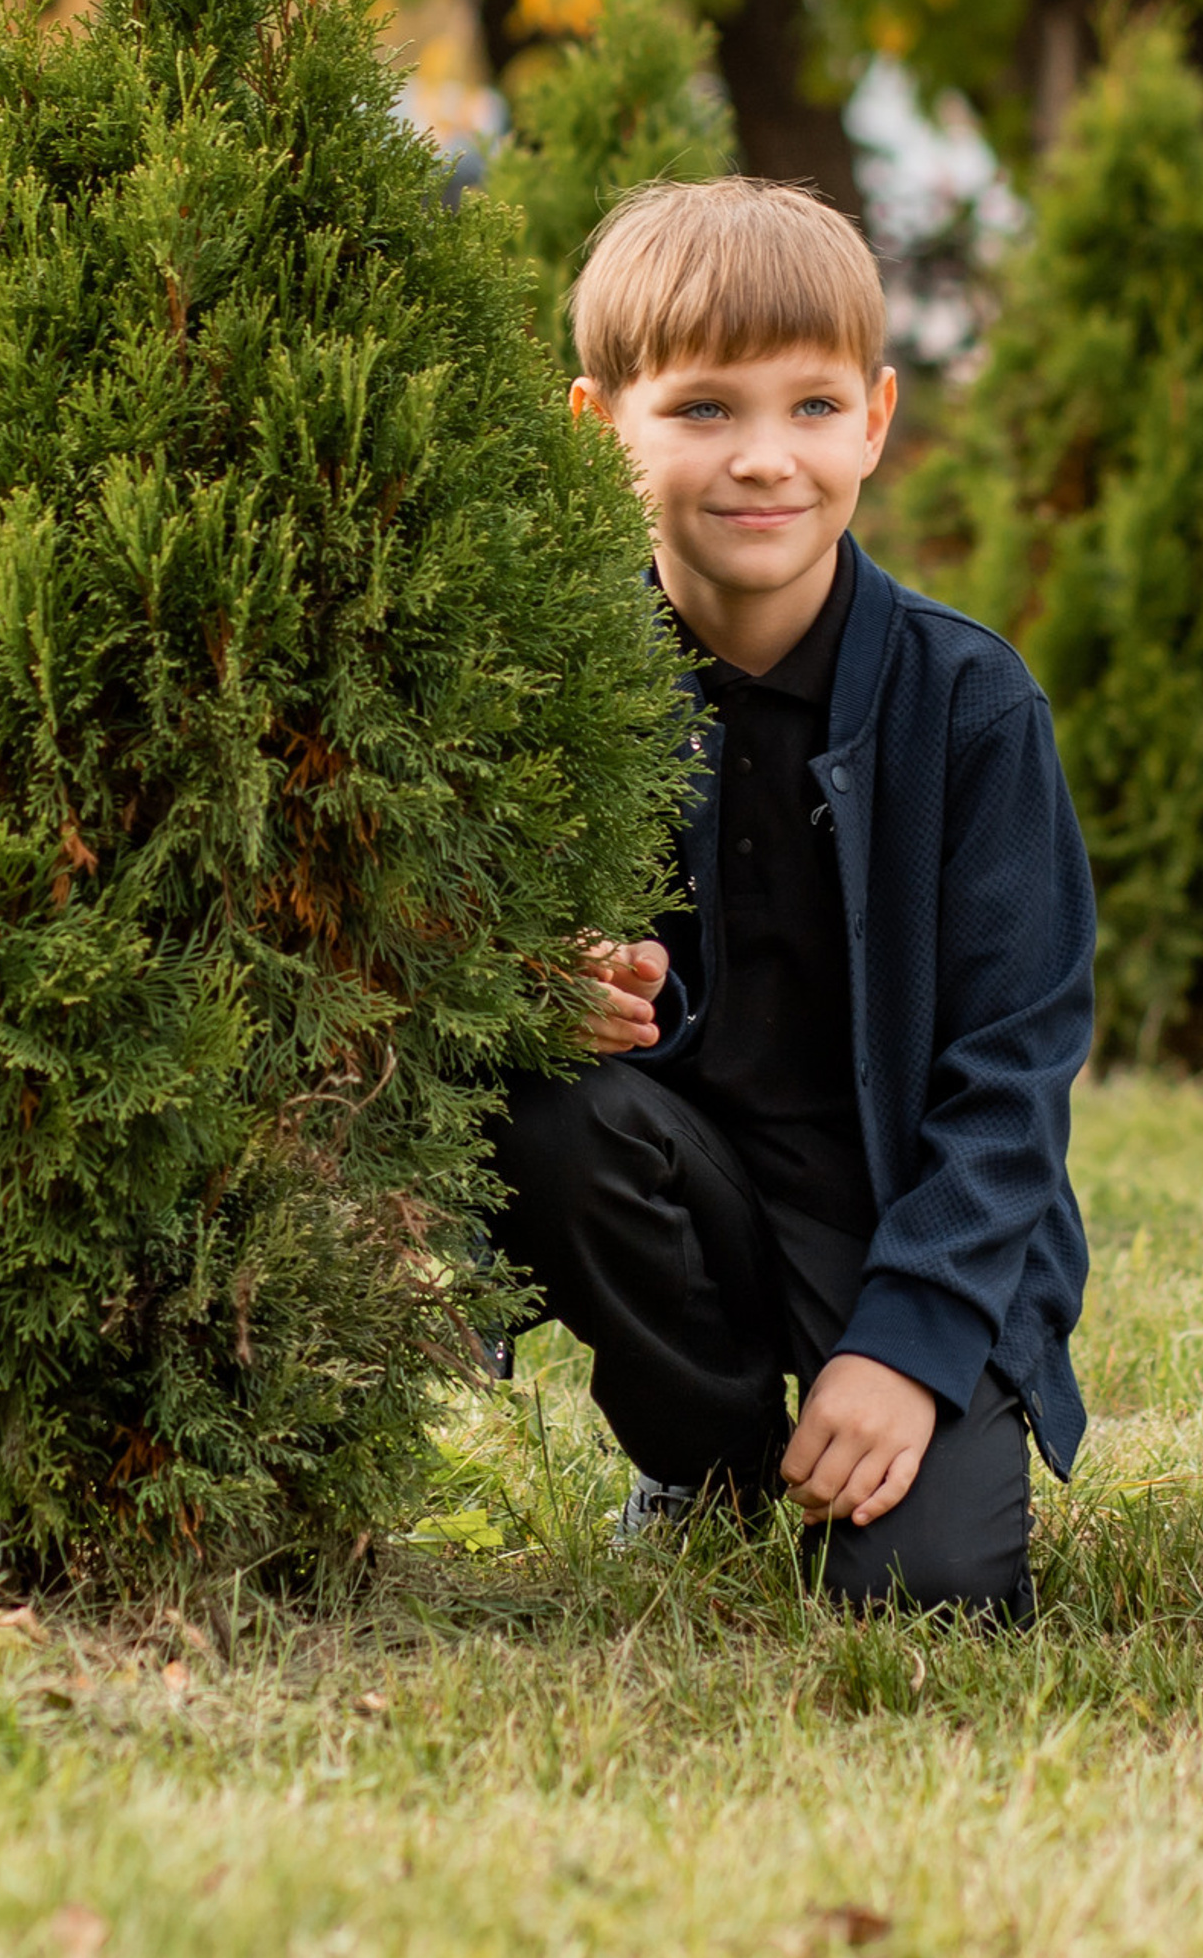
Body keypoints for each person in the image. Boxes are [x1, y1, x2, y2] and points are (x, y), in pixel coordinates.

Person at [489, 177, 1093, 1620]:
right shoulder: (542, 697)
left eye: (812, 408)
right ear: (600, 430)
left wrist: (912, 1342)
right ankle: (705, 1465)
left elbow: (1016, 1072)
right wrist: (526, 983)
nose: (765, 460)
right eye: (703, 409)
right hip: (679, 1186)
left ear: (877, 420)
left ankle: (873, 1409)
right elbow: (418, 960)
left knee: (929, 1594)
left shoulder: (972, 707)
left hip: (900, 1214)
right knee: (556, 1116)